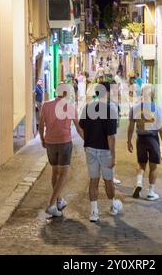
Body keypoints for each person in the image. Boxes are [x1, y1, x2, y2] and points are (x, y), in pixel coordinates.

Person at [80, 82, 123, 222]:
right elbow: (111, 136)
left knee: (93, 180)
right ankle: (112, 207)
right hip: (105, 150)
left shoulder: (87, 108)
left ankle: (94, 212)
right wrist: (114, 156)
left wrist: (86, 140)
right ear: (107, 93)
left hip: (90, 149)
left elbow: (80, 127)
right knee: (108, 180)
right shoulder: (110, 110)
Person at [39, 84, 84, 218]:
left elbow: (41, 125)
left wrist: (42, 139)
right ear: (66, 93)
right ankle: (51, 204)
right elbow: (78, 128)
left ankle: (59, 200)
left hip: (50, 142)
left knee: (55, 171)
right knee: (63, 174)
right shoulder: (70, 107)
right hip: (64, 142)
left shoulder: (46, 105)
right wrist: (87, 141)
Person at [127, 84, 162, 201]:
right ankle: (151, 192)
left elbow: (130, 128)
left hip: (141, 139)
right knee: (153, 166)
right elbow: (161, 129)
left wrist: (129, 141)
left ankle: (139, 182)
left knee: (141, 163)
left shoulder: (135, 109)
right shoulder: (157, 109)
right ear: (153, 94)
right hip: (153, 139)